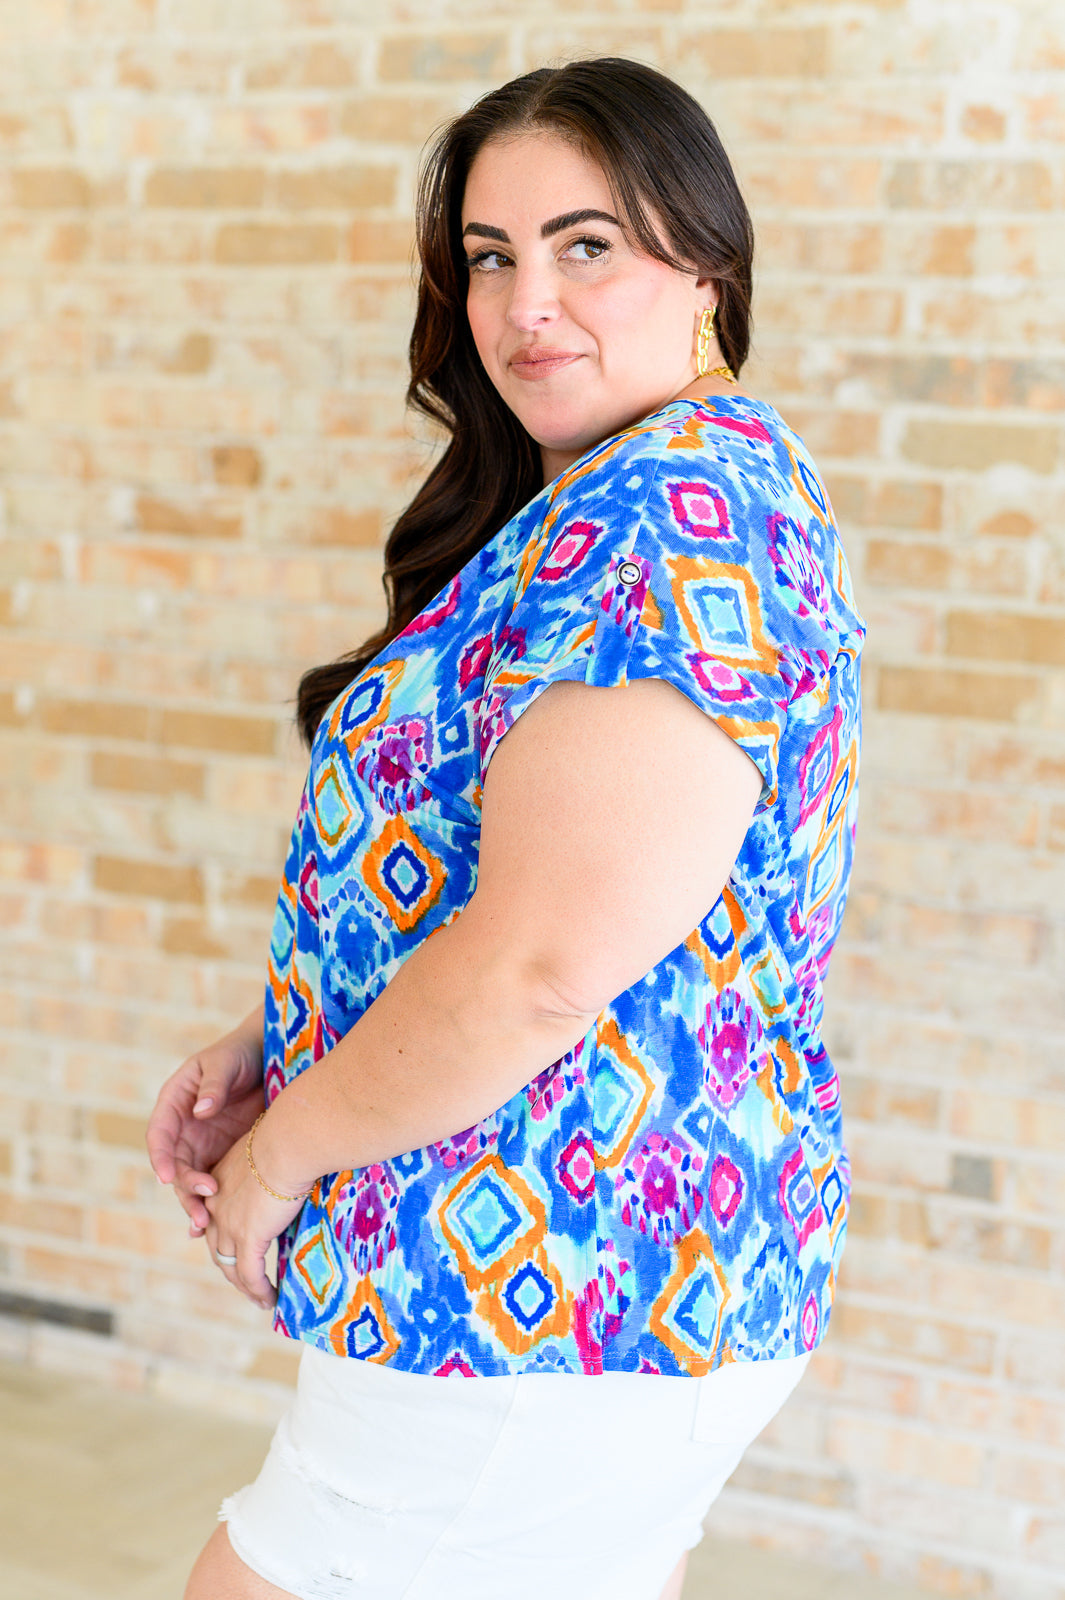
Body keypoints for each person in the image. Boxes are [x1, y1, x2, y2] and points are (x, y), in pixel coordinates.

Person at [147, 56, 864, 1600]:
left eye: (585, 244)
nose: (526, 299)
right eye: (491, 256)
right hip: (579, 1287)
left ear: (706, 266)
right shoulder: (629, 499)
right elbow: (539, 898)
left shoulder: (671, 523)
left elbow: (544, 966)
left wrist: (275, 1165)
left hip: (550, 1288)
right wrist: (286, 1038)